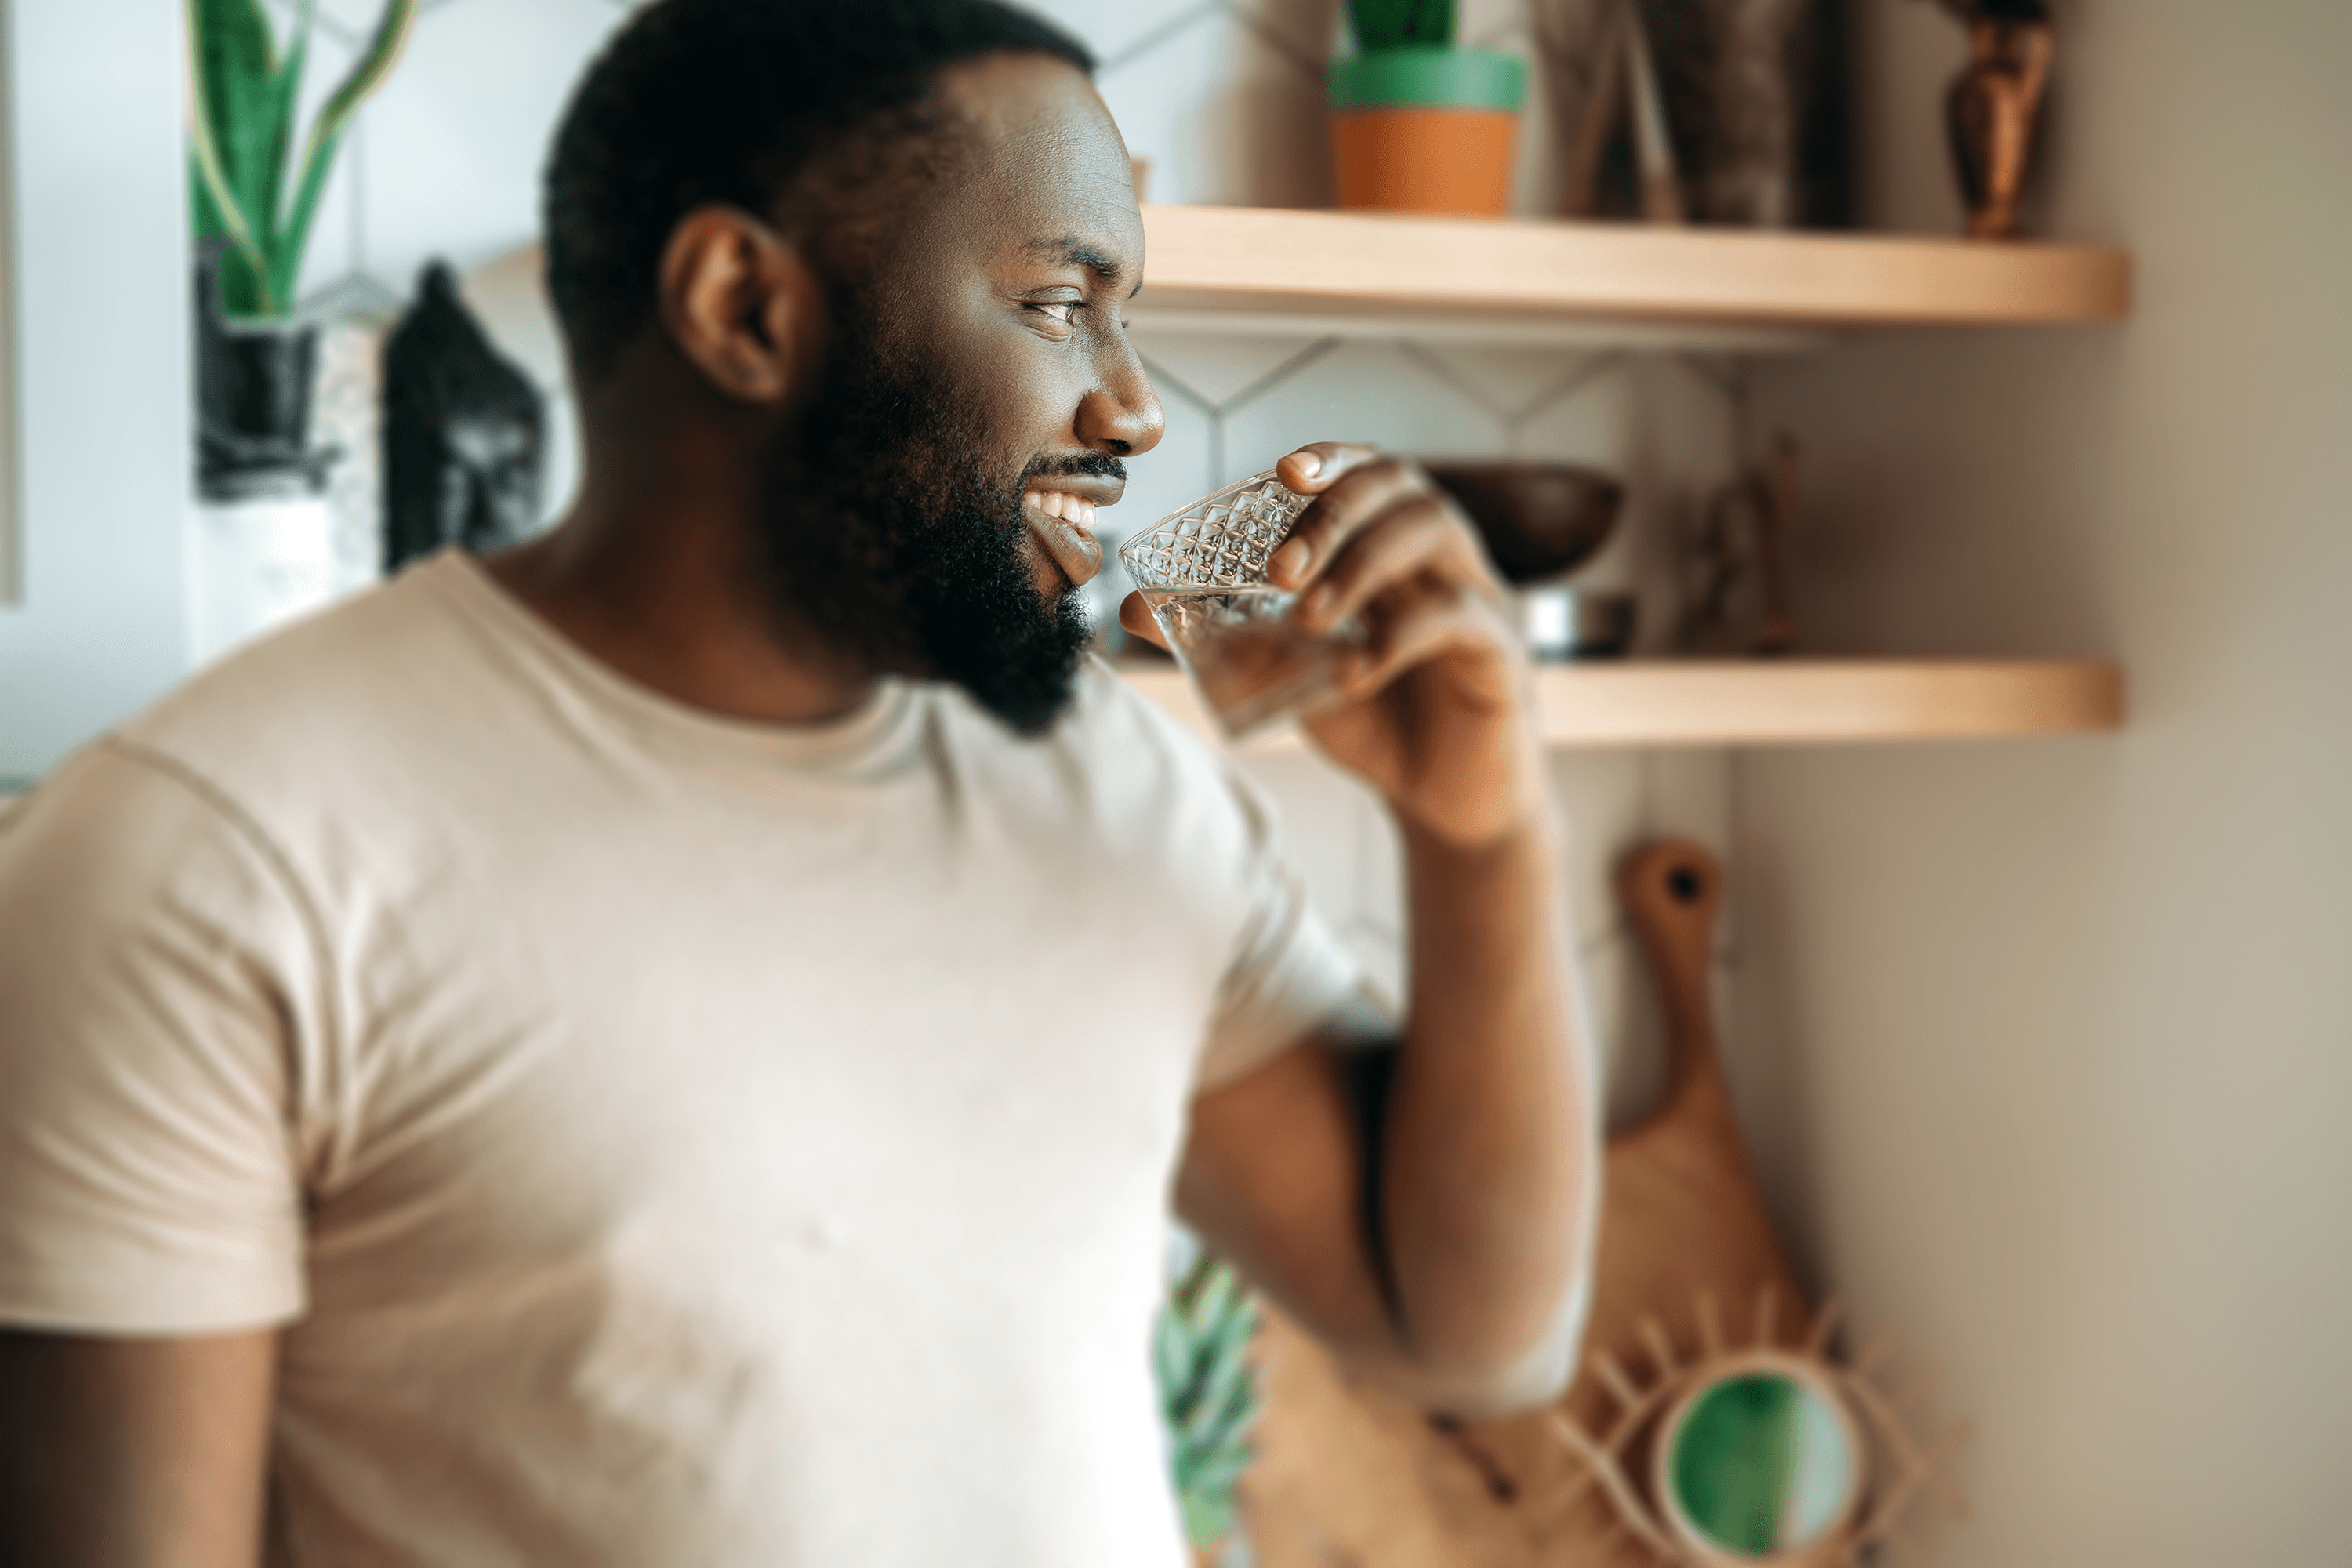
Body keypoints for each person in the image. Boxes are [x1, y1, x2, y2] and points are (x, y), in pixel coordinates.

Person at [0, 2, 1598, 1563]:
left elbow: (1459, 1327)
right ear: (744, 308)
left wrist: (1483, 831)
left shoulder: (1107, 781)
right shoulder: (210, 852)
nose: (1132, 405)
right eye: (1060, 306)